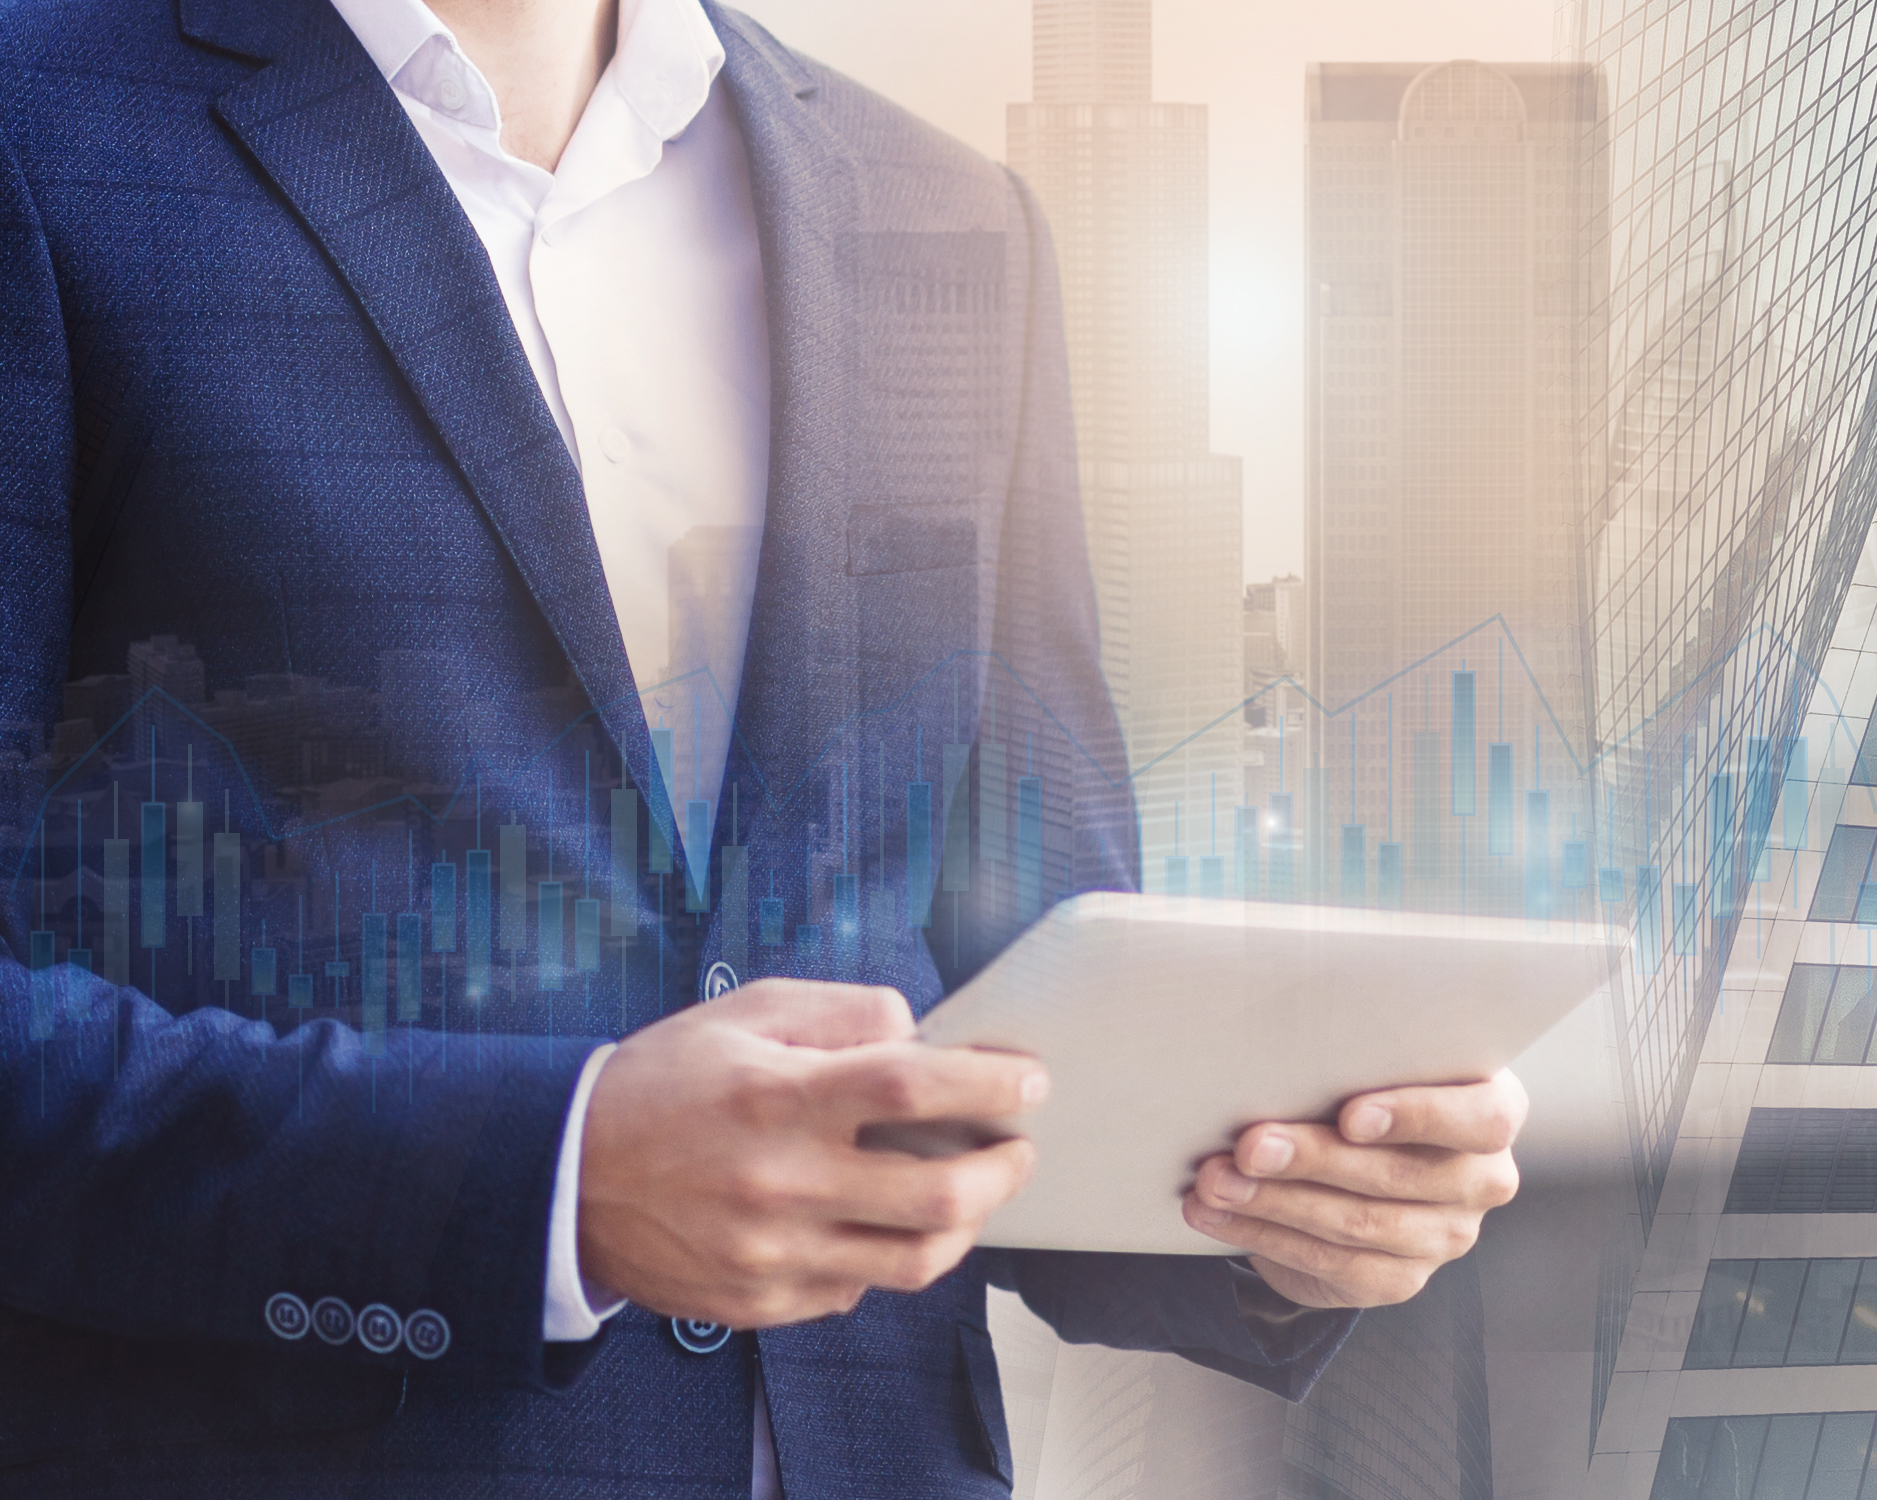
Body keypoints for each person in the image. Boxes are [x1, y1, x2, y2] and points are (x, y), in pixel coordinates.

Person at [0, 0, 1524, 1492]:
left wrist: (1289, 1207)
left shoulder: (946, 216)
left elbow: (1020, 996)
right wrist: (551, 1183)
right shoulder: (40, 126)